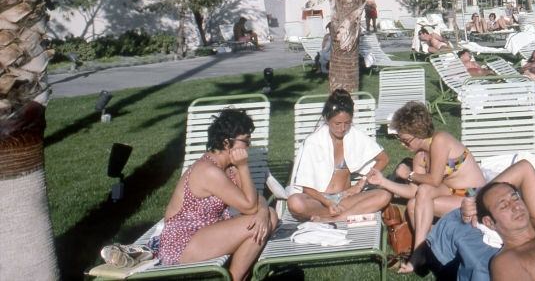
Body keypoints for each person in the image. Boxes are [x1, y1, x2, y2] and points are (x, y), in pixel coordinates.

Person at [366, 101, 486, 273]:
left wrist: (408, 175)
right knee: (416, 201)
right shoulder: (420, 156)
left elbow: (435, 180)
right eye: (400, 139)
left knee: (422, 196)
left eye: (406, 140)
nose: (402, 144)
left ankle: (421, 253)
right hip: (452, 194)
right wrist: (383, 182)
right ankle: (428, 252)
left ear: (419, 133)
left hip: (473, 196)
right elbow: (413, 192)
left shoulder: (440, 140)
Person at [157, 109, 277, 278]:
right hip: (183, 241)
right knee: (258, 221)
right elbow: (250, 208)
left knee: (269, 216)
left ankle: (237, 277)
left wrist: (263, 211)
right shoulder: (209, 171)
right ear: (227, 143)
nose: (248, 147)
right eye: (245, 141)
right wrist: (243, 167)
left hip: (207, 231)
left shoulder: (228, 168)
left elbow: (257, 200)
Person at [287, 89, 391, 221]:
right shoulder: (313, 142)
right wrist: (328, 202)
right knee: (294, 202)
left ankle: (333, 218)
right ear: (327, 119)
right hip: (319, 200)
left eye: (347, 123)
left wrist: (359, 185)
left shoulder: (355, 136)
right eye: (337, 123)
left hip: (345, 198)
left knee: (384, 195)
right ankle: (344, 214)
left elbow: (383, 159)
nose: (342, 128)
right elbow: (306, 187)